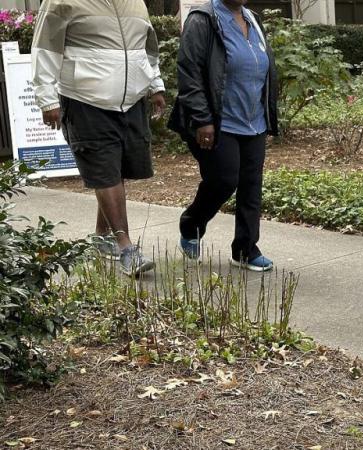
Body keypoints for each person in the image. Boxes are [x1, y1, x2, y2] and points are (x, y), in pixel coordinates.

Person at [31, 0, 167, 276]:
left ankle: (102, 237)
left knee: (115, 171)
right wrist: (47, 100)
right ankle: (126, 246)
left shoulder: (135, 3)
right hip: (85, 100)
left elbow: (147, 49)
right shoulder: (62, 1)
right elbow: (44, 49)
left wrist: (155, 85)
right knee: (104, 171)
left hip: (131, 102)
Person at [168, 0, 279, 272]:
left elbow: (264, 68)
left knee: (251, 187)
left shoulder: (252, 19)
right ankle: (192, 224)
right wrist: (202, 118)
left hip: (254, 120)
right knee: (224, 180)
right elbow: (189, 72)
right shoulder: (203, 19)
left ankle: (245, 249)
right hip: (219, 121)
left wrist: (269, 115)